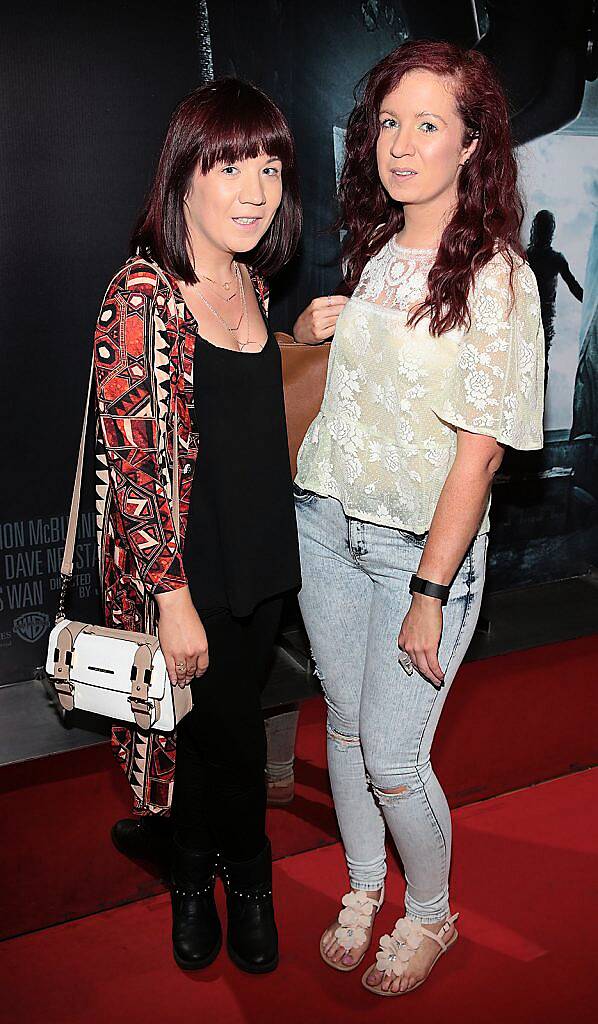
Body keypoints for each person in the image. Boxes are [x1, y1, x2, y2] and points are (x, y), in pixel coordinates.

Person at [292, 40, 544, 996]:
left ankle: (430, 914)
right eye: (389, 123)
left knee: (397, 757)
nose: (401, 143)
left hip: (417, 553)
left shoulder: (500, 279)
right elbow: (361, 391)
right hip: (325, 524)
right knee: (348, 732)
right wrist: (316, 329)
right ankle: (364, 888)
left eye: (427, 124)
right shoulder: (378, 253)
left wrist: (431, 591)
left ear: (472, 145)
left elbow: (478, 455)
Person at [93, 78, 302, 974]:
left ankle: (203, 862)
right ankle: (221, 876)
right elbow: (135, 467)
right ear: (185, 177)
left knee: (228, 730)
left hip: (260, 562)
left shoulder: (251, 281)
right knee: (220, 741)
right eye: (230, 166)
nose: (256, 189)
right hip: (188, 574)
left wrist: (302, 336)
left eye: (270, 166)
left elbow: (245, 412)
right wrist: (173, 601)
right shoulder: (143, 292)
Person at [526, 209, 584, 394]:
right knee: (540, 364)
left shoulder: (527, 256)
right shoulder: (552, 259)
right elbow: (575, 288)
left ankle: (533, 412)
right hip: (538, 317)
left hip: (533, 317)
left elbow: (575, 288)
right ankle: (536, 411)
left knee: (533, 364)